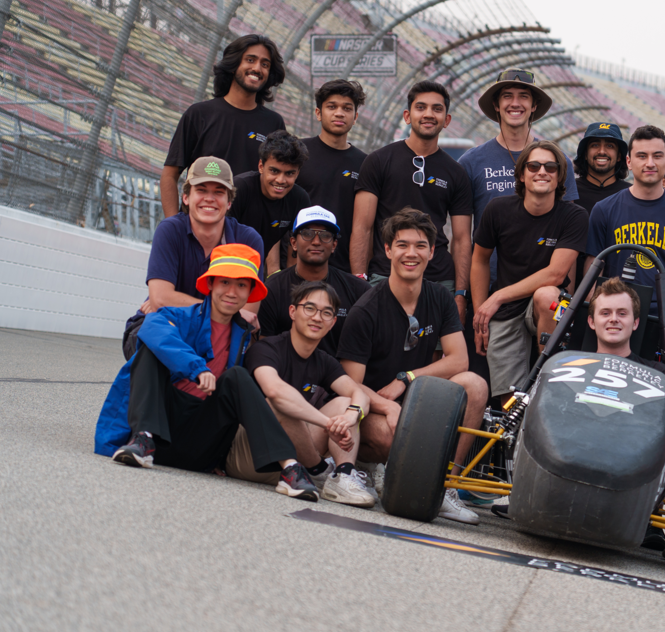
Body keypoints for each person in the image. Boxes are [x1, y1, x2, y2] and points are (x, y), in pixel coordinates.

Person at [96, 244, 319, 501]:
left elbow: (243, 402)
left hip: (200, 444)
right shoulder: (176, 316)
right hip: (159, 434)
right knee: (151, 350)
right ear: (210, 283)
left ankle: (290, 468)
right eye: (224, 282)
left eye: (242, 285)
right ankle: (142, 439)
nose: (232, 292)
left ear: (249, 293)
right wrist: (196, 367)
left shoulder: (246, 337)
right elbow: (152, 329)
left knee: (238, 377)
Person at [336, 208, 488, 524]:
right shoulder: (365, 310)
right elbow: (349, 384)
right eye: (402, 245)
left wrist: (407, 378)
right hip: (375, 408)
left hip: (414, 399)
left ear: (432, 252)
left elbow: (458, 359)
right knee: (393, 437)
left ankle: (445, 487)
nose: (411, 253)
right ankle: (371, 466)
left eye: (420, 245)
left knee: (474, 384)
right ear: (388, 250)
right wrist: (390, 408)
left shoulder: (440, 298)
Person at [240, 280, 374, 507]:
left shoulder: (324, 361)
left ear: (333, 322)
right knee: (280, 401)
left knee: (345, 403)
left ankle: (343, 475)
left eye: (326, 313)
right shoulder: (267, 349)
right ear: (293, 311)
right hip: (253, 454)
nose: (317, 317)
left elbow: (359, 394)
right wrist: (329, 424)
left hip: (296, 458)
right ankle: (320, 470)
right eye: (309, 308)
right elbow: (275, 391)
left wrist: (351, 416)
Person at [471, 142, 587, 397]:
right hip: (507, 311)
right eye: (533, 166)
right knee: (508, 400)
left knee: (547, 295)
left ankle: (548, 380)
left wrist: (497, 296)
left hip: (550, 305)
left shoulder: (574, 216)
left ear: (560, 177)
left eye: (551, 167)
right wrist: (481, 315)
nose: (542, 171)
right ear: (522, 175)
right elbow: (479, 260)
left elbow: (556, 275)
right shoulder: (498, 209)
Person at [352, 81, 472, 320]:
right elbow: (362, 228)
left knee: (438, 353)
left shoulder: (456, 173)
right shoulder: (378, 161)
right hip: (384, 275)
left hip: (438, 279)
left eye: (437, 109)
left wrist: (459, 293)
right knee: (383, 351)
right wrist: (359, 281)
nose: (429, 114)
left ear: (446, 120)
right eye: (421, 107)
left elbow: (461, 239)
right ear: (407, 116)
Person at [123, 156, 265, 358]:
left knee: (249, 352)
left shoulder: (249, 240)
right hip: (164, 323)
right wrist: (223, 311)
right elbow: (161, 299)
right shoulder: (170, 230)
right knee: (155, 337)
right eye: (201, 190)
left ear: (229, 202)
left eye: (218, 192)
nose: (210, 198)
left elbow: (247, 316)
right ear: (186, 197)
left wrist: (173, 302)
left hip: (218, 334)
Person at [162, 35, 286, 218]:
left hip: (246, 233)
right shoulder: (199, 114)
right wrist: (173, 226)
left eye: (265, 64)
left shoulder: (274, 123)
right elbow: (169, 175)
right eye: (250, 60)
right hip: (199, 230)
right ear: (234, 64)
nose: (257, 68)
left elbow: (278, 183)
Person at [585, 125, 665, 310]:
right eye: (642, 156)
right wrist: (590, 317)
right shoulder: (604, 209)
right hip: (618, 312)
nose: (650, 163)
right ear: (628, 161)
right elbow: (593, 271)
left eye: (657, 156)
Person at [459, 69, 579, 231]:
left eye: (524, 96)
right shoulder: (471, 162)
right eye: (507, 96)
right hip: (487, 257)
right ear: (496, 104)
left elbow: (567, 227)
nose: (515, 103)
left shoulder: (558, 162)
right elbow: (461, 235)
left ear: (534, 105)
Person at [258, 207, 371, 356]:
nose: (316, 242)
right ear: (293, 243)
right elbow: (264, 350)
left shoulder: (358, 290)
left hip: (341, 376)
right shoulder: (273, 289)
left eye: (325, 235)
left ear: (334, 245)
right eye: (307, 234)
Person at [296, 79, 368, 271]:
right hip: (298, 265)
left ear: (355, 116)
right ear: (318, 113)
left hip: (343, 267)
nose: (339, 113)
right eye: (332, 106)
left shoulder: (365, 164)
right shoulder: (297, 153)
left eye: (347, 108)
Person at [228, 130, 311, 275]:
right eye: (274, 171)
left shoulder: (300, 199)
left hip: (255, 268)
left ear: (298, 173)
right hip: (222, 261)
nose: (280, 180)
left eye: (289, 173)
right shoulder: (239, 188)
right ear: (261, 166)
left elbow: (298, 249)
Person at [572, 122, 631, 288]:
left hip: (618, 291)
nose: (602, 151)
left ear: (620, 156)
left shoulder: (632, 194)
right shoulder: (566, 192)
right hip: (568, 288)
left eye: (610, 146)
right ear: (584, 153)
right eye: (595, 145)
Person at [584, 277, 665, 376]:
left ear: (635, 323)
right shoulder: (574, 368)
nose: (613, 319)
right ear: (592, 322)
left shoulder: (657, 374)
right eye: (605, 313)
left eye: (622, 313)